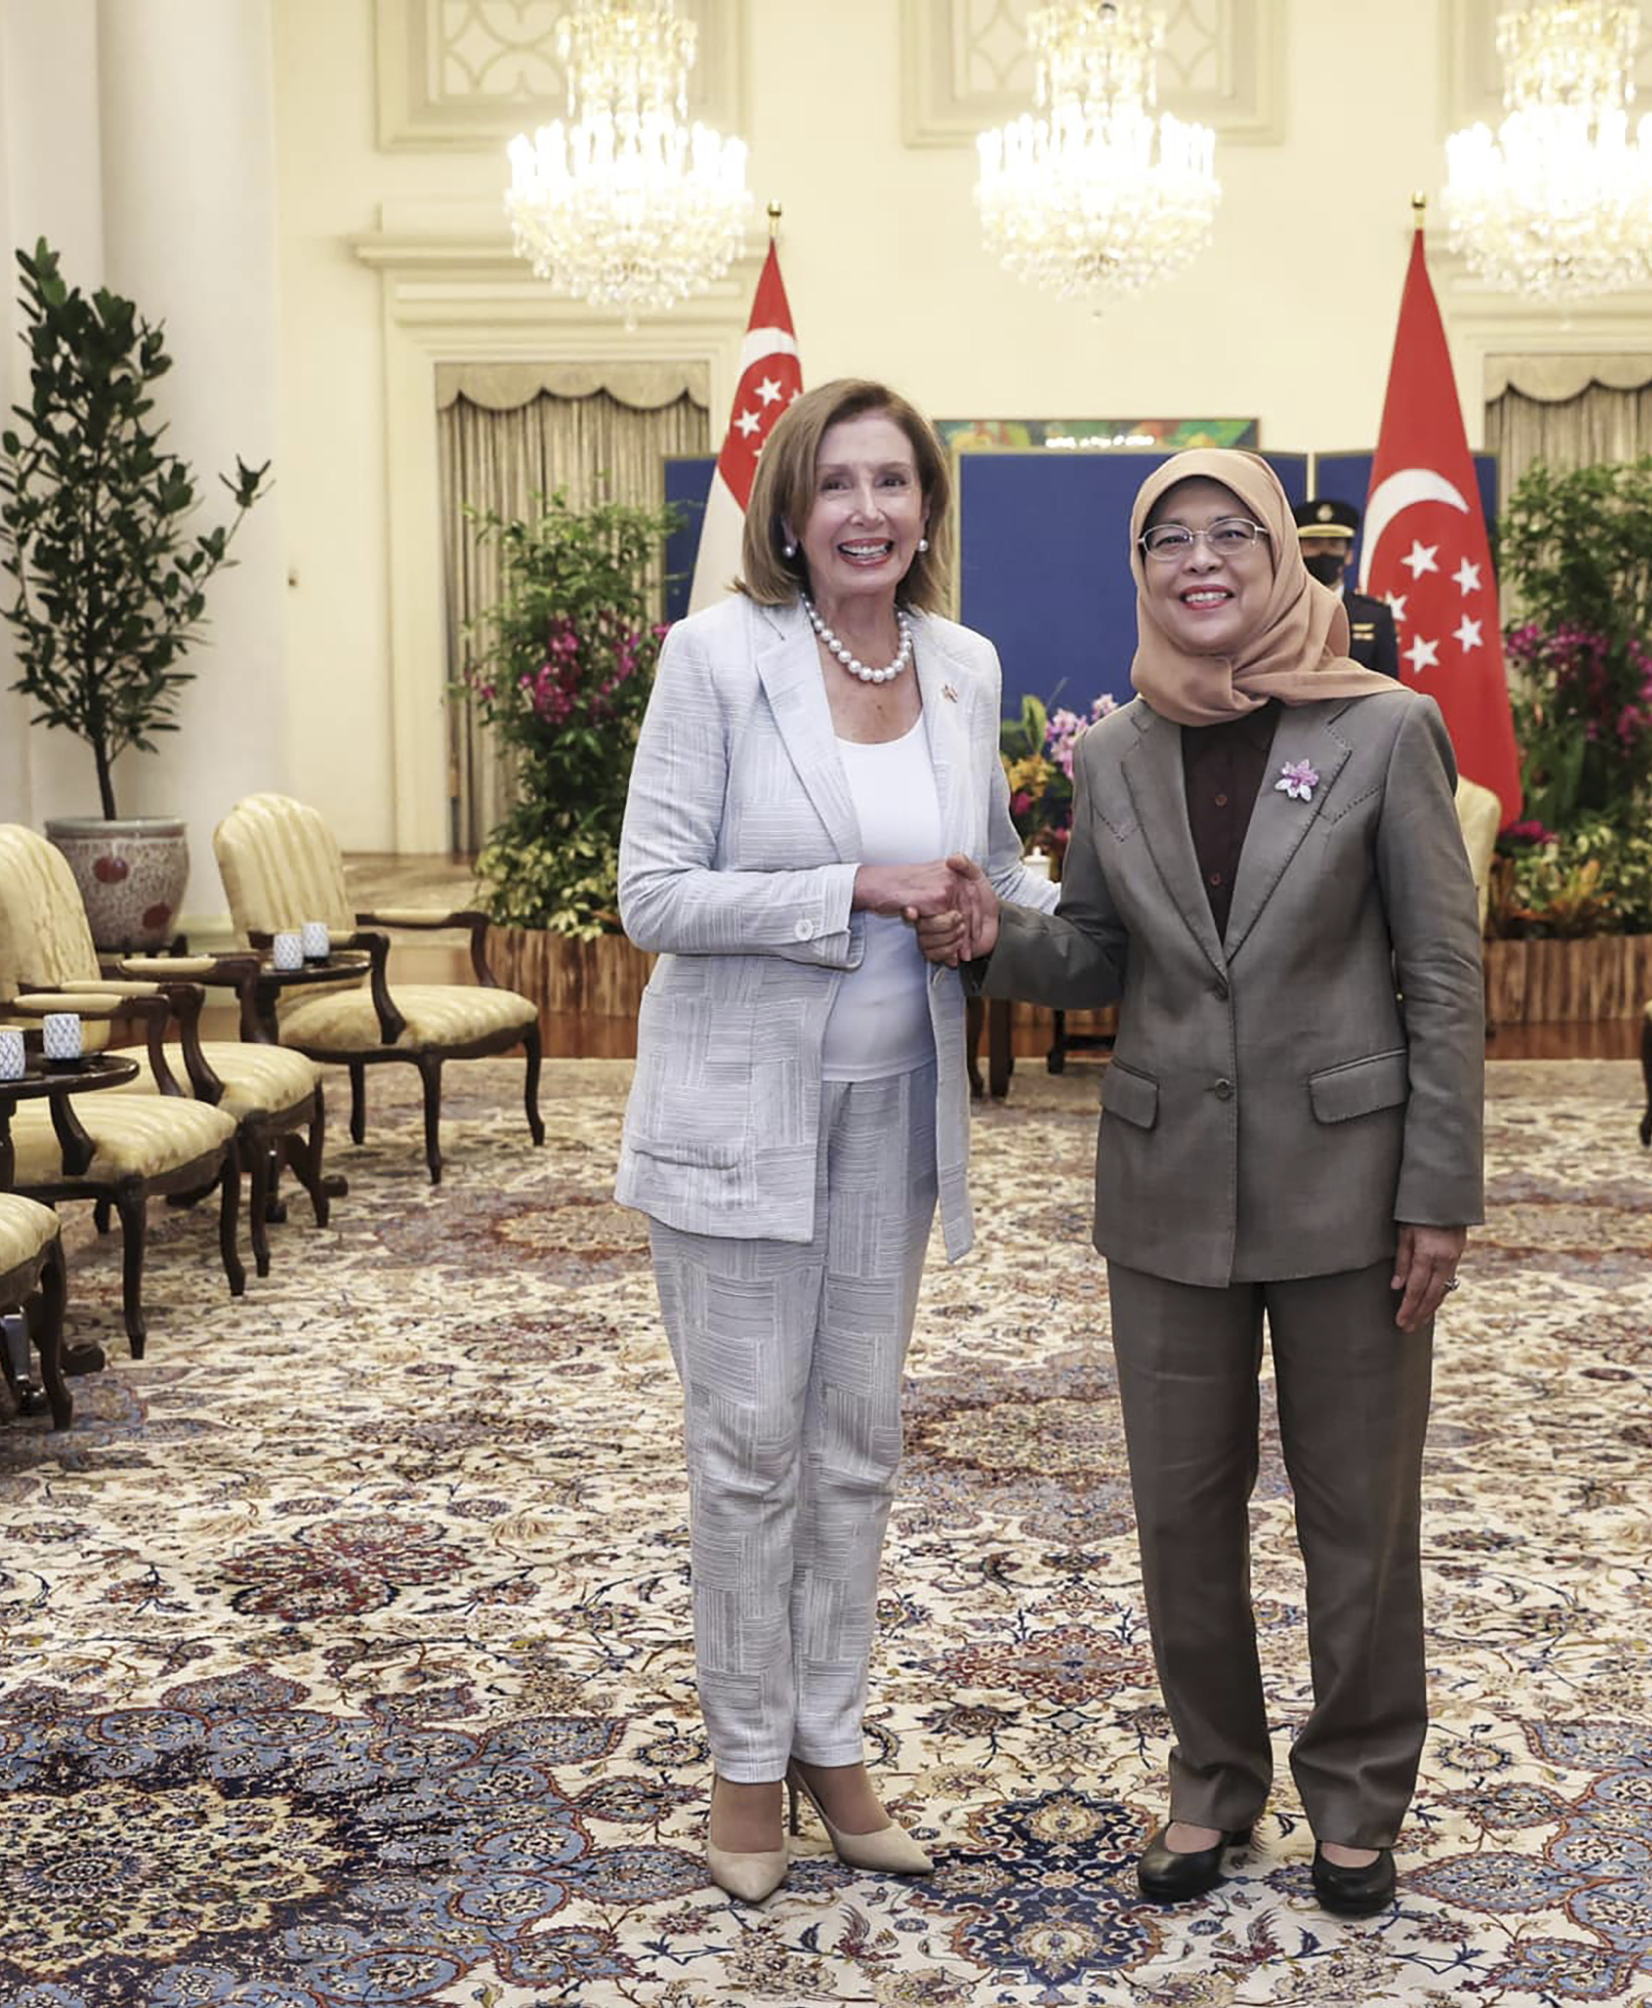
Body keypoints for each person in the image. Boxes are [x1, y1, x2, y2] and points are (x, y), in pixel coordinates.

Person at [921, 449, 1483, 1916]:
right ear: (1140, 568)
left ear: (1281, 556)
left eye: (1229, 531)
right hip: (1166, 1188)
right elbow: (1099, 955)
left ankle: (1356, 1792)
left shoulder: (1384, 730)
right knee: (1181, 1511)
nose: (1199, 560)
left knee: (1358, 1512)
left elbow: (1440, 976)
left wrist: (1439, 1190)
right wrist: (990, 935)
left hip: (1351, 1190)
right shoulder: (1110, 756)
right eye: (1166, 537)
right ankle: (1210, 1785)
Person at [614, 377, 1059, 1904]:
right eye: (838, 485)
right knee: (749, 1454)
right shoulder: (714, 656)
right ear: (790, 515)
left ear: (927, 507)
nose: (868, 511)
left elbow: (987, 866)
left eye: (895, 482)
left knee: (856, 1451)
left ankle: (832, 1739)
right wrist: (855, 891)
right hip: (736, 1123)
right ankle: (745, 1768)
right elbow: (652, 893)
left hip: (892, 1120)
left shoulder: (962, 663)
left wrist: (1003, 909)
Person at [1293, 494, 1402, 675]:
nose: (1323, 553)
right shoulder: (1280, 610)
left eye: (1334, 545)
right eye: (1313, 544)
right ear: (1298, 552)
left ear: (1349, 555)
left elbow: (1389, 689)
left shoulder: (1375, 615)